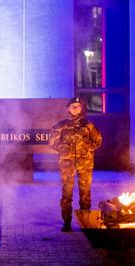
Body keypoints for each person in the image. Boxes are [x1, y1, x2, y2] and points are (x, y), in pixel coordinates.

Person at [49, 97, 103, 232]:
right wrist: (65, 149)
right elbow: (52, 142)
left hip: (85, 163)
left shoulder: (88, 125)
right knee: (67, 193)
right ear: (68, 108)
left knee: (85, 192)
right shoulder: (60, 126)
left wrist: (86, 148)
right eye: (73, 106)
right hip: (67, 164)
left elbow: (98, 140)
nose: (75, 108)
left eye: (78, 106)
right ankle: (67, 222)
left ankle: (85, 222)